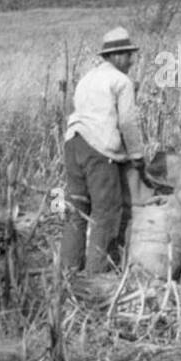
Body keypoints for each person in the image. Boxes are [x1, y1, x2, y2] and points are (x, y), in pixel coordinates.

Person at [61, 27, 145, 274]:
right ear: (116, 56)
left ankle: (68, 268)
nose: (131, 61)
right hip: (98, 149)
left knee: (76, 208)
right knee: (106, 211)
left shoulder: (88, 78)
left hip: (73, 143)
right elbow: (128, 122)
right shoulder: (122, 81)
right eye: (128, 55)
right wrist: (137, 155)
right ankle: (96, 273)